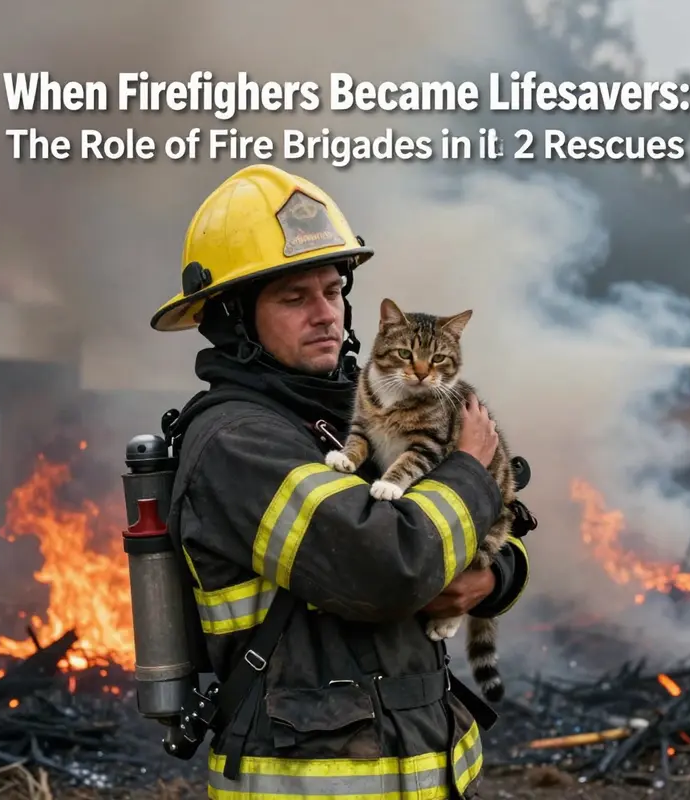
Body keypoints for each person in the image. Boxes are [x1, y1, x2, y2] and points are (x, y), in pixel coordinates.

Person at [150, 164, 531, 799]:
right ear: (234, 318)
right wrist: (467, 470)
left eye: (332, 290)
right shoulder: (238, 443)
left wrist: (489, 577)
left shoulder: (353, 409)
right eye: (294, 298)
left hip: (428, 773)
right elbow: (386, 566)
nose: (326, 314)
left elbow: (487, 526)